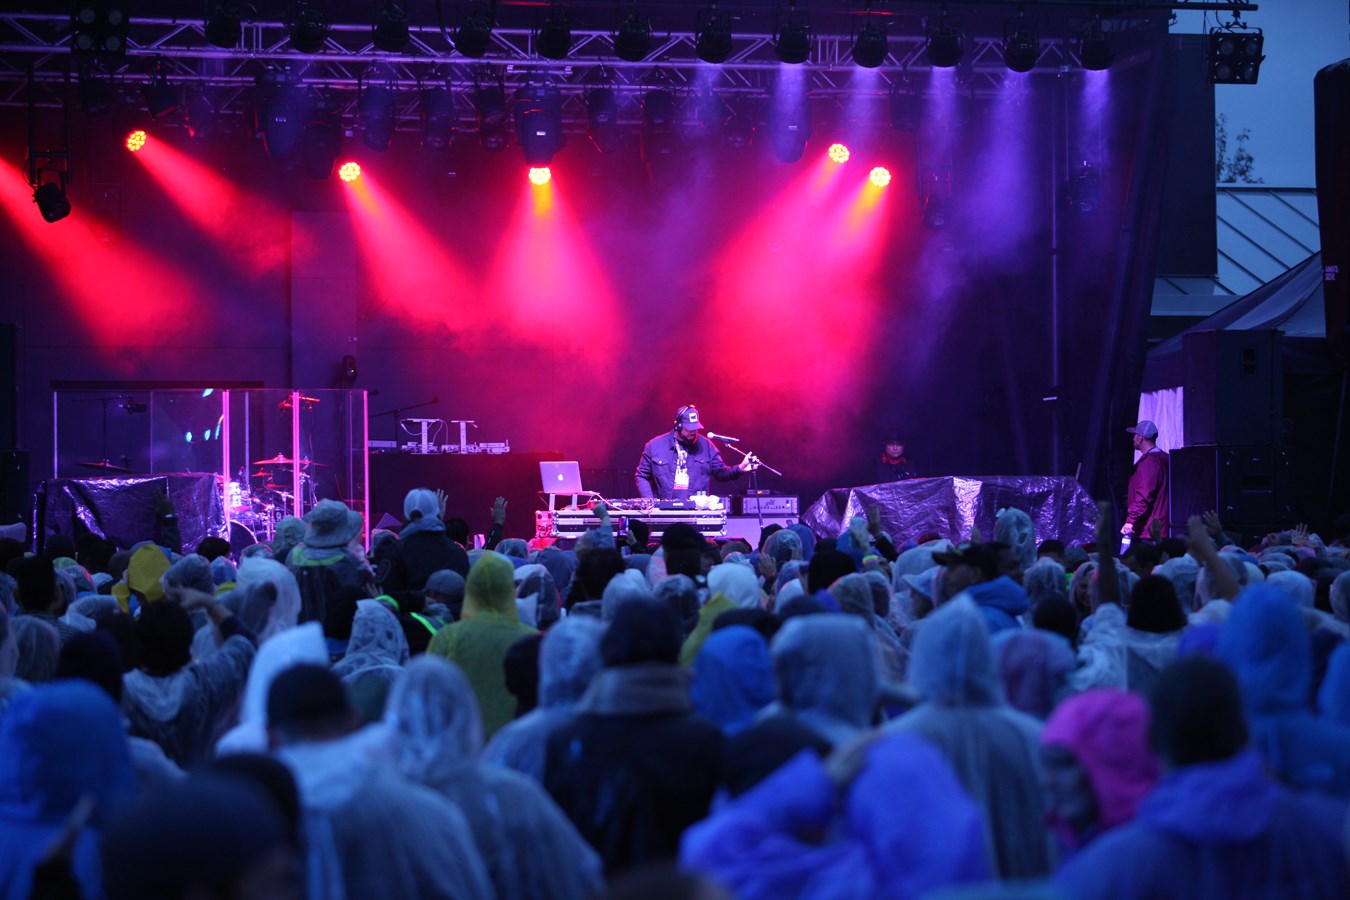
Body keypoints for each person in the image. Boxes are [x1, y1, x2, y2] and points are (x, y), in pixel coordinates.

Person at [635, 405, 755, 500]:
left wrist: (740, 468)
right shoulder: (655, 445)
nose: (693, 432)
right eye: (689, 428)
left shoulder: (707, 446)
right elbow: (641, 476)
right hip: (663, 509)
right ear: (677, 426)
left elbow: (721, 473)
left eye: (695, 428)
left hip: (695, 510)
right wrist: (649, 502)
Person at [1122, 420, 1169, 540]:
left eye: (1134, 436)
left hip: (1149, 530)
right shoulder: (1165, 459)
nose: (1133, 439)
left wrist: (1130, 521)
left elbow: (1144, 494)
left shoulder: (1149, 462)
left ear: (1140, 438)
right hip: (1161, 527)